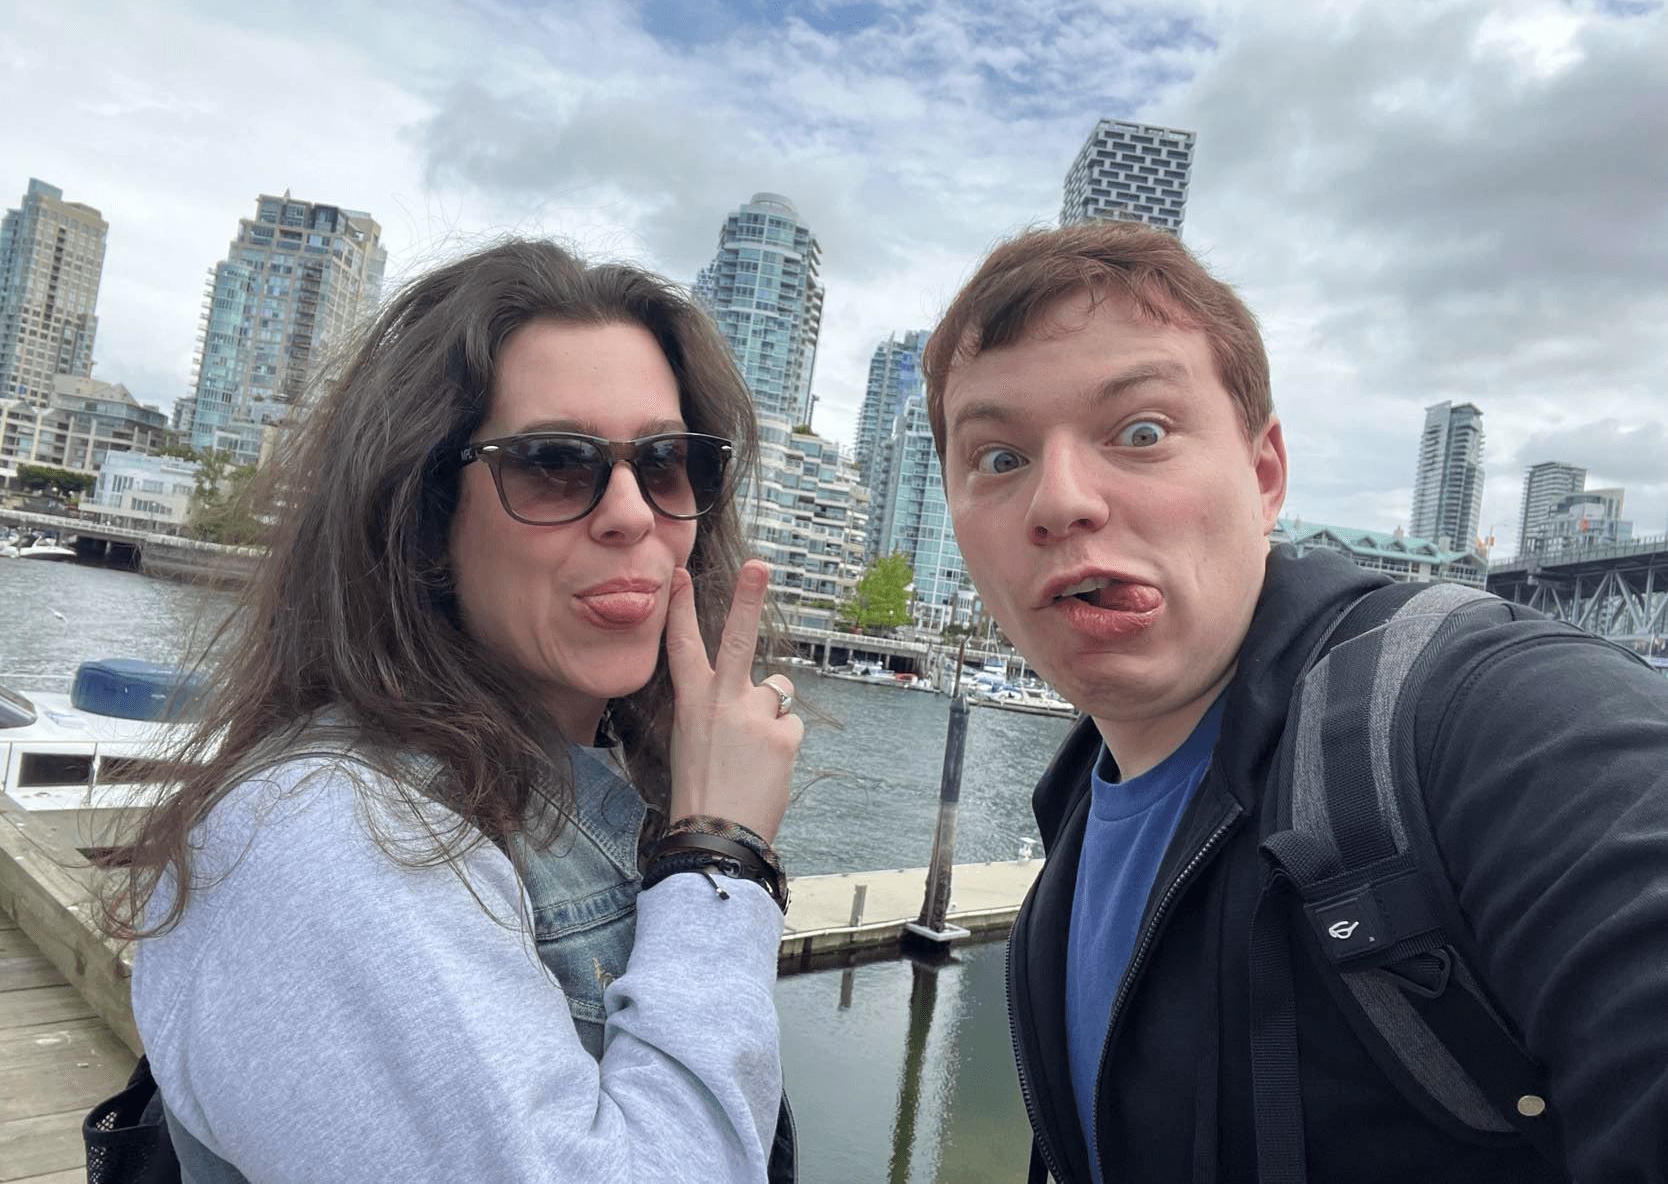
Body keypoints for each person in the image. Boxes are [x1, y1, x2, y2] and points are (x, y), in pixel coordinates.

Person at [922, 220, 1668, 1183]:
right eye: (998, 457)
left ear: (1265, 474)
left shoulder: (1486, 710)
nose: (1060, 499)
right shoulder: (1076, 807)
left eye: (1141, 432)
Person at [106, 240, 804, 1182]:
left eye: (668, 462)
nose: (633, 513)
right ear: (426, 518)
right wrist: (720, 854)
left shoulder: (599, 777)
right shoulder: (328, 829)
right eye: (556, 463)